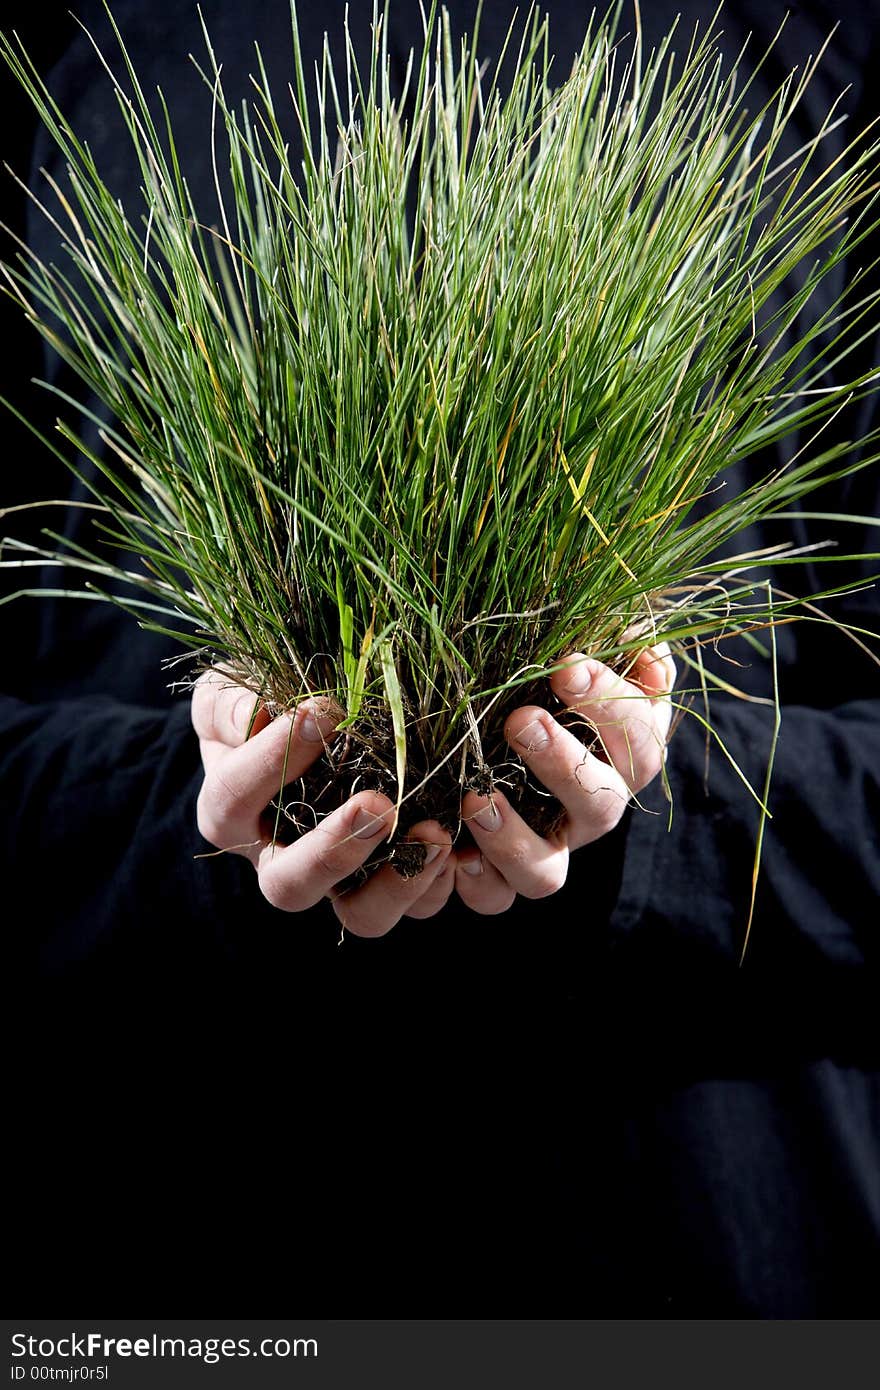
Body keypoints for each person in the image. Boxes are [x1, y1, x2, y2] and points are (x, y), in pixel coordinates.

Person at [4, 0, 878, 1315]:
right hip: (165, 1252)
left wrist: (645, 811)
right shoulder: (76, 53)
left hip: (714, 1261)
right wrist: (199, 816)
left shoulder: (823, 54)